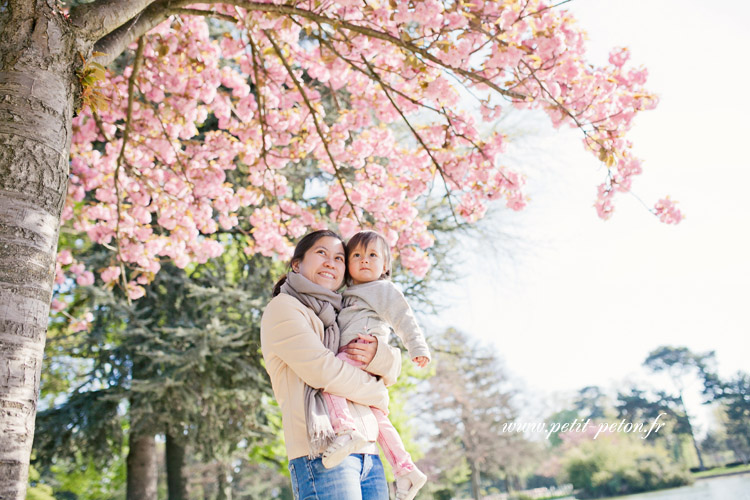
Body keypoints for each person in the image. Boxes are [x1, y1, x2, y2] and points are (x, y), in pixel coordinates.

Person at [260, 229, 403, 500]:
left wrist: (377, 354)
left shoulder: (344, 314)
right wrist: (377, 393)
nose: (331, 262)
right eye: (321, 253)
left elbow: (393, 367)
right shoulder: (285, 308)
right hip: (321, 453)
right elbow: (324, 371)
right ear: (297, 263)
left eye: (339, 258)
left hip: (369, 451)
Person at [321, 230, 430, 500]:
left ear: (385, 266)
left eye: (372, 255)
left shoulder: (384, 290)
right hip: (359, 359)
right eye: (356, 255)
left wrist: (417, 348)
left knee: (330, 381)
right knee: (378, 418)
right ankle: (406, 469)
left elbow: (404, 318)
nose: (364, 260)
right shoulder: (347, 293)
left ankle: (345, 430)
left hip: (358, 351)